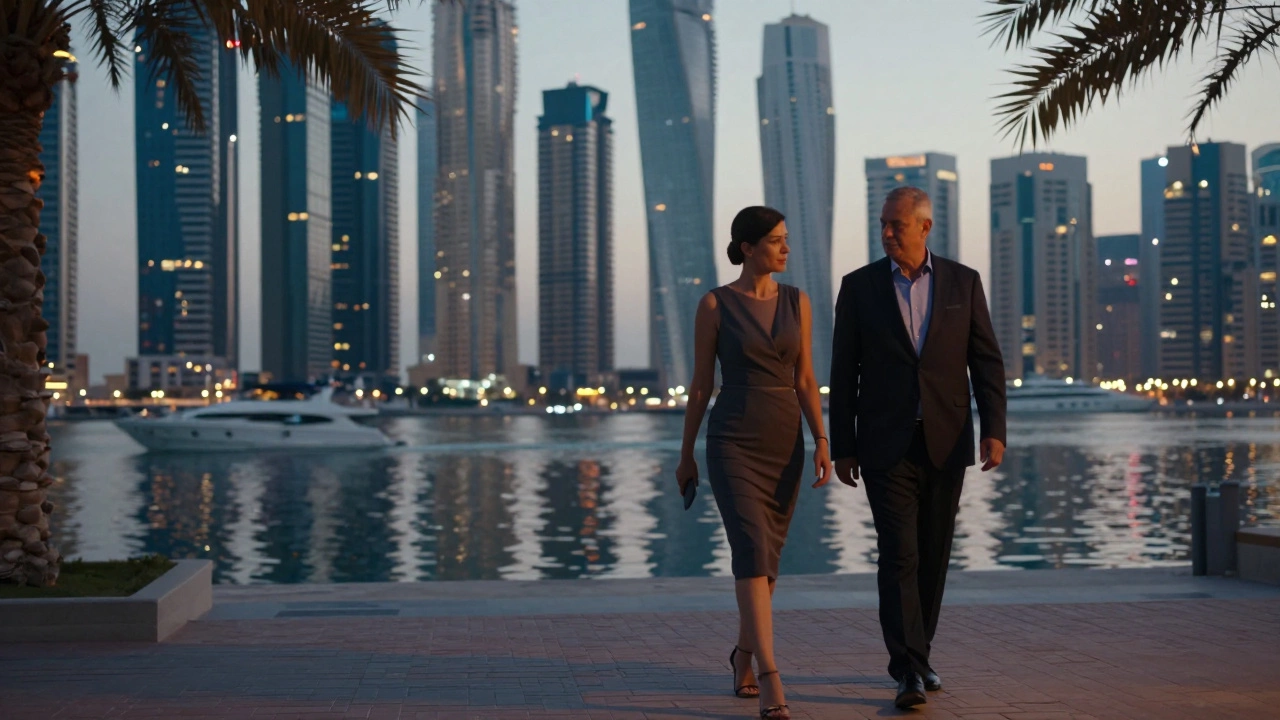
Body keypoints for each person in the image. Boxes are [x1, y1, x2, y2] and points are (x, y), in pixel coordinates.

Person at [828, 186, 1007, 710]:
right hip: (885, 446)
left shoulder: (963, 282)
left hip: (948, 442)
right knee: (898, 554)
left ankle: (921, 654)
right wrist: (843, 445)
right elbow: (844, 373)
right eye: (882, 224)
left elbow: (987, 362)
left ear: (924, 227)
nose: (885, 233)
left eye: (895, 225)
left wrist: (994, 429)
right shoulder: (858, 288)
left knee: (933, 555)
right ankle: (906, 667)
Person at [677, 206, 832, 720]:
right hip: (732, 441)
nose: (786, 249)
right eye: (775, 241)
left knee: (768, 565)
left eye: (787, 239)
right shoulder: (715, 305)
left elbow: (807, 379)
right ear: (747, 248)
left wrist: (822, 440)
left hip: (785, 441)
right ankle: (769, 675)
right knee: (750, 548)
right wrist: (686, 454)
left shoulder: (799, 302)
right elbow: (701, 385)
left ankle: (742, 654)